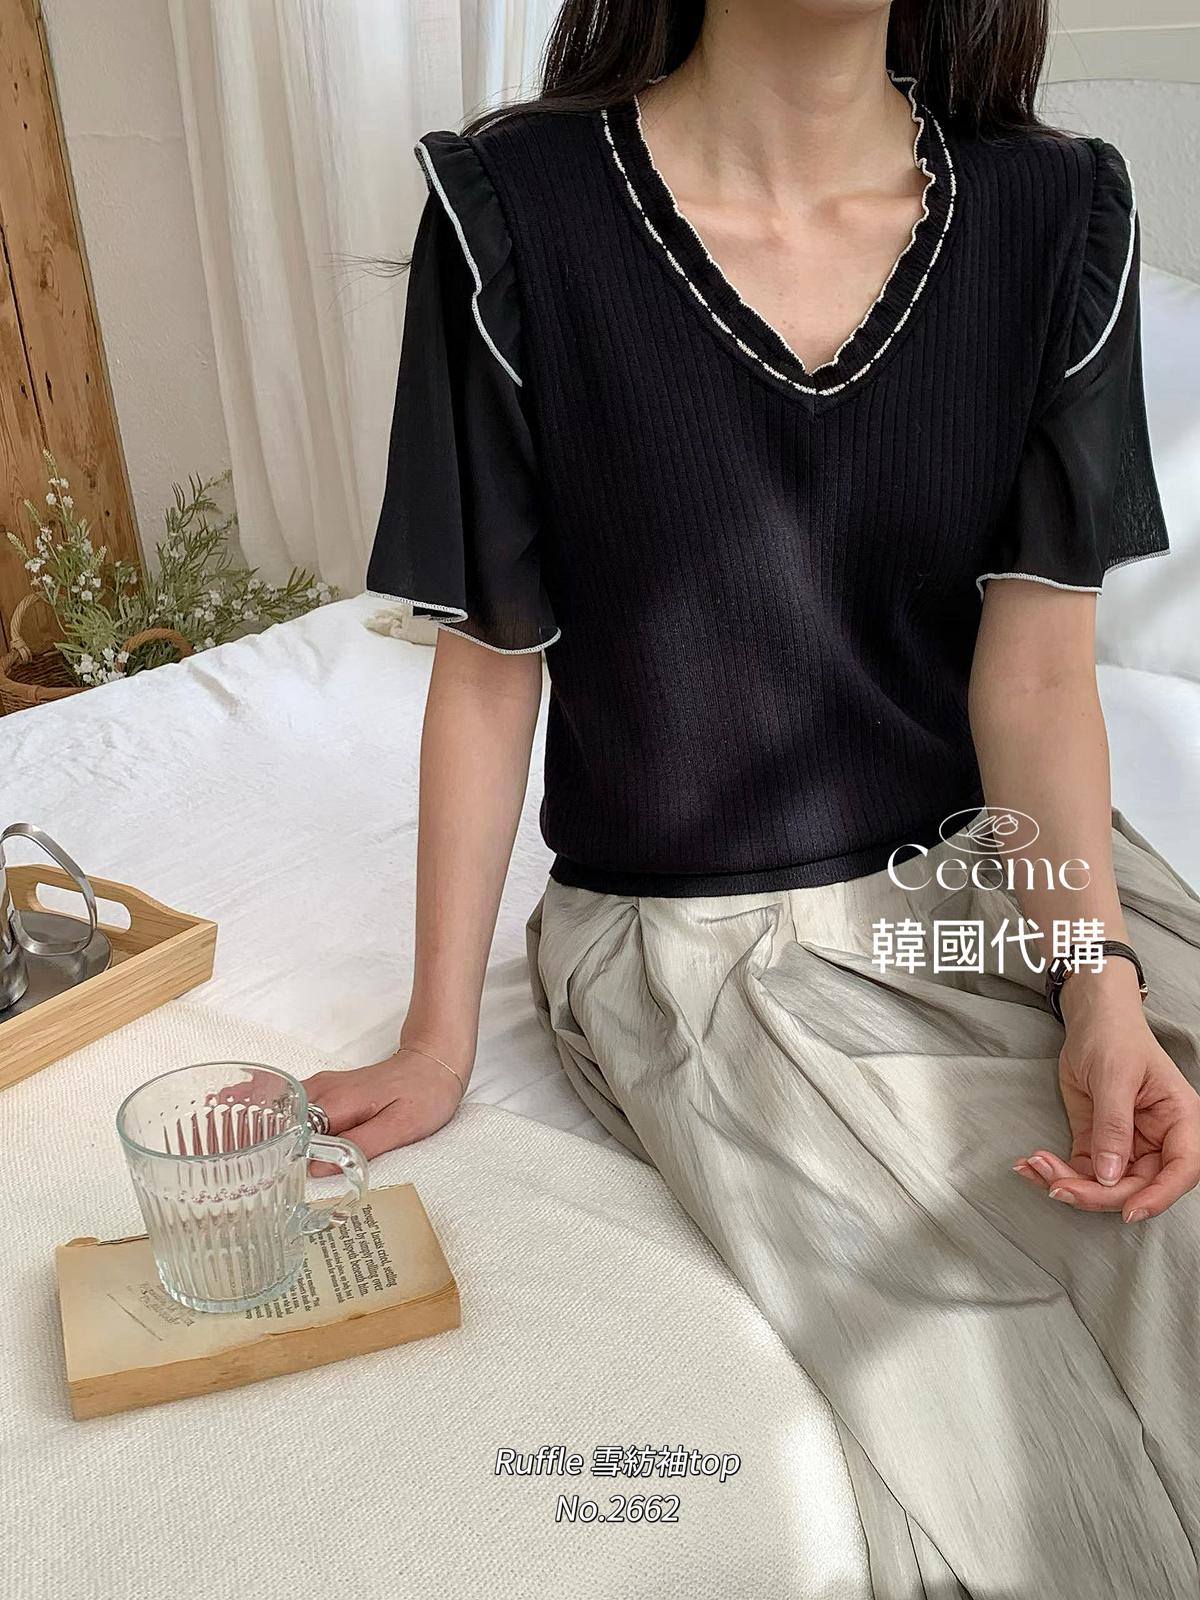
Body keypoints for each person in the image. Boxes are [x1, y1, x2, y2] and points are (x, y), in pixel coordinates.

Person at [305, 1, 1200, 1592]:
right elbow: (493, 664)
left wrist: (1098, 983)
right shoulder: (515, 209)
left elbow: (1039, 679)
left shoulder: (1056, 212)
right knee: (1024, 1400)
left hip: (1009, 884)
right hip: (702, 939)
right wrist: (439, 1038)